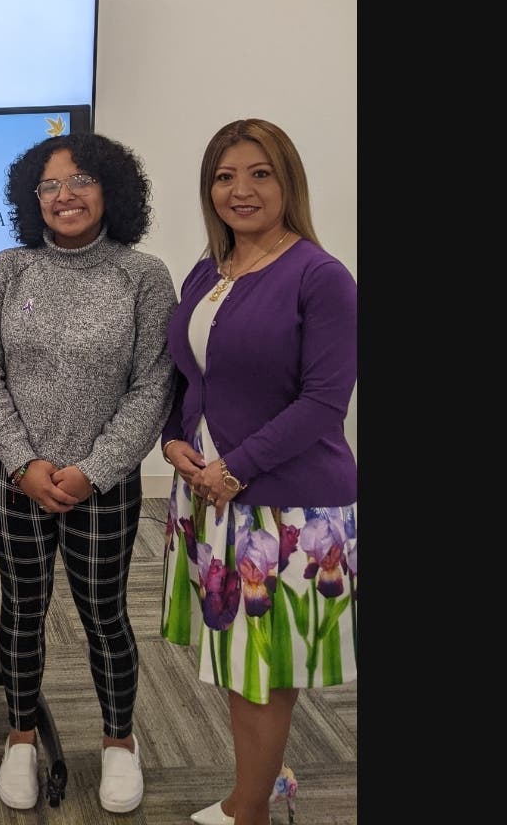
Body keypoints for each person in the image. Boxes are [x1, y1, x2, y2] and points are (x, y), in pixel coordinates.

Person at [0, 132, 177, 815]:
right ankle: (20, 736)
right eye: (50, 185)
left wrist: (92, 471)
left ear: (110, 189)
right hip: (16, 477)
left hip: (104, 485)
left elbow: (153, 387)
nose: (66, 195)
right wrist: (23, 463)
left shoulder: (143, 276)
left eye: (81, 179)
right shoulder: (9, 269)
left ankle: (119, 743)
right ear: (35, 199)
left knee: (105, 617)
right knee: (22, 612)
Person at [156, 119, 357, 825]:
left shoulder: (321, 277)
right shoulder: (207, 272)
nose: (240, 190)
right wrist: (173, 441)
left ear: (288, 182)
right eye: (223, 176)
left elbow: (324, 402)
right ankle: (266, 783)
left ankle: (252, 810)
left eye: (259, 173)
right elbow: (189, 377)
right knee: (240, 664)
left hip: (288, 511)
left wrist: (233, 470)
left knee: (262, 673)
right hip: (213, 495)